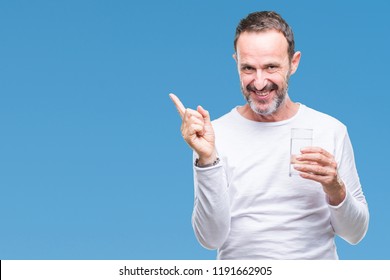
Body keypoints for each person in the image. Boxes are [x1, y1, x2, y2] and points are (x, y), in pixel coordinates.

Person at [169, 11, 369, 260]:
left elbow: (355, 233)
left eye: (271, 67)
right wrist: (207, 159)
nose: (260, 82)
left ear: (293, 63)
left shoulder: (330, 130)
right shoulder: (213, 135)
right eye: (248, 68)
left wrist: (335, 188)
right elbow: (211, 239)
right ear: (236, 63)